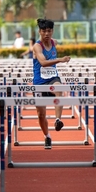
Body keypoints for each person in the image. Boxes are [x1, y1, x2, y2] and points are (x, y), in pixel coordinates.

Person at [32, 19, 70, 149]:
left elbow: (56, 42)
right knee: (41, 115)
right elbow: (43, 63)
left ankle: (58, 120)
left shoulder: (54, 42)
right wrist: (60, 59)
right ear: (40, 31)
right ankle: (47, 136)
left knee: (59, 89)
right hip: (39, 82)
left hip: (53, 78)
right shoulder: (37, 47)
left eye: (49, 31)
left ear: (52, 31)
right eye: (44, 31)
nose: (46, 34)